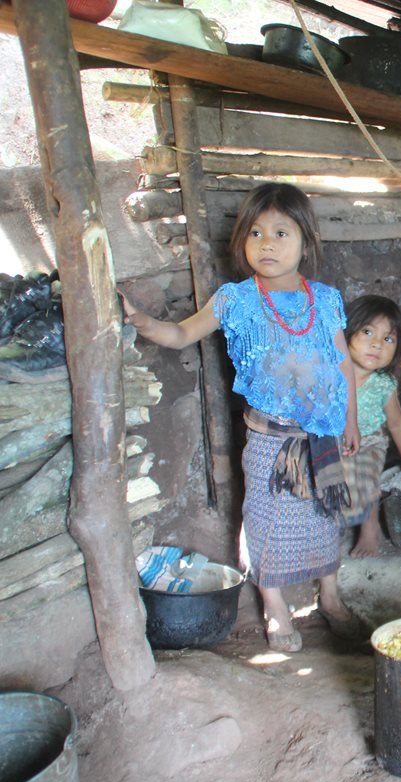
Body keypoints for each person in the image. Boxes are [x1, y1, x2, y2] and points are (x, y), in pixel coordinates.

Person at [121, 182, 362, 653]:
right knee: (266, 520)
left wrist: (349, 419)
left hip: (322, 435)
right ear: (242, 243)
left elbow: (343, 364)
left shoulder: (326, 299)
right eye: (255, 232)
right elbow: (182, 333)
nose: (266, 243)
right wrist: (145, 323)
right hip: (271, 439)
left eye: (280, 232)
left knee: (325, 515)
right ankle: (275, 610)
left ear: (306, 243)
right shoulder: (236, 300)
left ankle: (330, 598)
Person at [342, 294, 401, 557]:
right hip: (336, 441)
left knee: (365, 479)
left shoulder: (383, 385)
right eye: (367, 332)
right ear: (346, 331)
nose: (377, 344)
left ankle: (370, 528)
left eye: (388, 339)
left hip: (370, 442)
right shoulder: (331, 374)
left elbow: (397, 424)